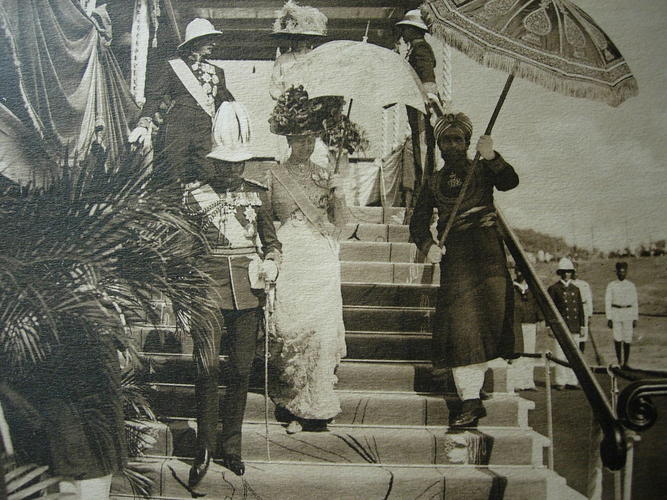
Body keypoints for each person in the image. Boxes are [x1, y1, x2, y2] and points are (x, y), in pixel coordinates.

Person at [184, 102, 281, 486]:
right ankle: (204, 446)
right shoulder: (194, 196)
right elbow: (184, 249)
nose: (232, 170)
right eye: (225, 163)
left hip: (248, 293)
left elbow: (272, 243)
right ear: (214, 162)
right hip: (207, 291)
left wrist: (272, 262)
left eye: (238, 163)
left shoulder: (258, 194)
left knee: (240, 371)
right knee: (206, 369)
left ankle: (232, 446)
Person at [409, 112, 519, 427]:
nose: (453, 145)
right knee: (462, 328)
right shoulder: (432, 181)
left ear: (468, 142)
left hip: (487, 253)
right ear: (440, 145)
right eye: (447, 140)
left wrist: (492, 155)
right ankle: (470, 400)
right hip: (455, 256)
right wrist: (429, 246)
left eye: (458, 139)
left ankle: (475, 393)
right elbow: (418, 221)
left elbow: (510, 182)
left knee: (488, 323)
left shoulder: (483, 168)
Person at [267, 94, 348, 434]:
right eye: (299, 139)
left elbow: (341, 226)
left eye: (310, 138)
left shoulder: (326, 174)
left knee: (321, 329)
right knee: (292, 329)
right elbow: (265, 222)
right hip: (292, 257)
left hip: (320, 259)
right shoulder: (273, 175)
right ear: (288, 139)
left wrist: (339, 192)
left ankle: (316, 404)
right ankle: (292, 398)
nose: (305, 145)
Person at [129, 18, 234, 185]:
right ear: (195, 42)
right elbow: (155, 96)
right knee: (173, 176)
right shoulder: (173, 66)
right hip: (177, 130)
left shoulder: (218, 72)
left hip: (205, 134)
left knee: (206, 176)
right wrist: (143, 123)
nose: (213, 43)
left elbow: (226, 103)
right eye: (208, 39)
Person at [269, 1, 330, 167]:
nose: (300, 42)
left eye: (304, 38)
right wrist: (288, 99)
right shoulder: (283, 60)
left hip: (312, 114)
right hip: (288, 114)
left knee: (315, 152)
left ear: (310, 39)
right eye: (296, 38)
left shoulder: (317, 59)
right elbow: (274, 88)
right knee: (288, 153)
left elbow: (323, 83)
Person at [396, 9, 439, 198]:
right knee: (418, 145)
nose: (403, 33)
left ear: (414, 30)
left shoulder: (421, 49)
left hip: (423, 106)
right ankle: (422, 187)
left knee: (421, 147)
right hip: (416, 106)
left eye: (406, 29)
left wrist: (429, 102)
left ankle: (424, 189)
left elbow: (427, 78)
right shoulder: (415, 49)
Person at [547, 257, 585, 390]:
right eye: (564, 271)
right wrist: (549, 326)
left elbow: (580, 309)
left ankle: (572, 380)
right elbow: (549, 310)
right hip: (560, 327)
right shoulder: (554, 289)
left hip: (574, 326)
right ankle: (560, 381)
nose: (566, 274)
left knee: (574, 355)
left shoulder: (576, 289)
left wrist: (582, 326)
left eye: (569, 271)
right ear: (560, 272)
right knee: (560, 354)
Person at [509, 269, 543, 391]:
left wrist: (539, 320)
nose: (520, 274)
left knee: (529, 352)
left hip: (530, 323)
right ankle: (517, 382)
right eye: (518, 271)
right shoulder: (511, 287)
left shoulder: (532, 289)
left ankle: (528, 381)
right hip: (516, 324)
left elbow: (537, 305)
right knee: (517, 352)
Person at [605, 262, 638, 367]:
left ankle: (626, 362)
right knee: (617, 337)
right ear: (616, 272)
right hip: (616, 312)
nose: (621, 274)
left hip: (628, 312)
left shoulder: (631, 285)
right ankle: (619, 361)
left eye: (624, 272)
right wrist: (609, 317)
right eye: (620, 272)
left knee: (628, 337)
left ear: (626, 272)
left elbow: (635, 302)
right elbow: (608, 301)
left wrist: (635, 317)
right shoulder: (611, 285)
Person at [573, 268, 593, 352]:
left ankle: (581, 356)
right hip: (573, 310)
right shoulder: (568, 284)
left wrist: (589, 314)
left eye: (576, 271)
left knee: (583, 335)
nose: (575, 274)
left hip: (583, 309)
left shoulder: (584, 284)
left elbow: (589, 300)